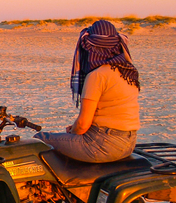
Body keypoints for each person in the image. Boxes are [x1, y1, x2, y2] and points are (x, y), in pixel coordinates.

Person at [35, 19, 140, 163]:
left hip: (103, 144)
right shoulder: (128, 71)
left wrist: (73, 133)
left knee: (39, 140)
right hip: (128, 142)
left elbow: (83, 124)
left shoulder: (98, 75)